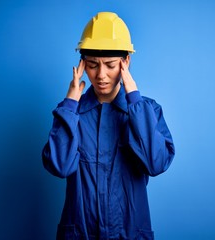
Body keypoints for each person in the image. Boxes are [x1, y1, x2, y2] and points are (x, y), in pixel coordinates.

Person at [42, 12, 175, 240]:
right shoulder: (71, 113)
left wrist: (134, 98)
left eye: (110, 65)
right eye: (93, 65)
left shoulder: (148, 111)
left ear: (126, 62)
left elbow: (156, 163)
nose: (101, 75)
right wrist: (71, 102)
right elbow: (59, 167)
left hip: (129, 234)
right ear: (82, 64)